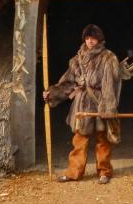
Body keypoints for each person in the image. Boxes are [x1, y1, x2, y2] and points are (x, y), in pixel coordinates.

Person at [43, 24, 120, 184]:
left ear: (99, 39)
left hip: (101, 102)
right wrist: (52, 93)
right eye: (87, 38)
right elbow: (68, 83)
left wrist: (108, 108)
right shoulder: (77, 59)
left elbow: (109, 85)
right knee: (79, 140)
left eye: (93, 38)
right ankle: (74, 172)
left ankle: (104, 172)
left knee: (103, 140)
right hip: (82, 104)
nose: (90, 41)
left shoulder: (108, 57)